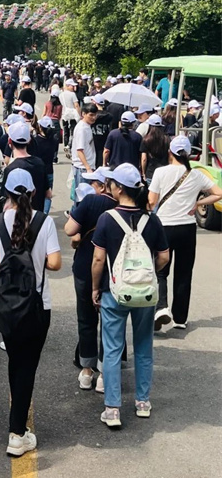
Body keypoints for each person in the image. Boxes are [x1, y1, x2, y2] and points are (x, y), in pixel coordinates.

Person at [0, 169, 61, 455]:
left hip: (7, 304)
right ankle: (17, 433)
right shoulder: (44, 221)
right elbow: (55, 263)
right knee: (27, 366)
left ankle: (16, 423)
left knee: (15, 361)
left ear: (6, 193)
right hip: (37, 305)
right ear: (32, 192)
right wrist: (35, 258)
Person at [91, 164, 170, 428]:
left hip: (114, 292)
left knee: (113, 348)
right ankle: (143, 402)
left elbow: (98, 259)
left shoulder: (107, 218)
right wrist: (148, 275)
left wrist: (95, 288)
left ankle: (112, 409)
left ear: (118, 188)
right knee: (144, 346)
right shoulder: (152, 220)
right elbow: (164, 256)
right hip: (145, 294)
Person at [149, 135, 222, 331]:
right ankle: (180, 318)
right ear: (188, 154)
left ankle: (161, 307)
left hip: (164, 226)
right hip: (187, 228)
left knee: (160, 270)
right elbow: (218, 193)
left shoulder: (160, 172)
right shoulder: (196, 174)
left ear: (170, 152)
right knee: (184, 273)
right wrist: (198, 203)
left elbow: (152, 202)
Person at [64, 168, 115, 393]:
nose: (91, 186)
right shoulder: (120, 205)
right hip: (114, 271)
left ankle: (87, 370)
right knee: (111, 322)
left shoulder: (91, 202)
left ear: (103, 185)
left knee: (86, 318)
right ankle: (105, 372)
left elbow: (70, 230)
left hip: (85, 266)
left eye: (94, 182)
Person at [4, 120, 50, 212]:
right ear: (29, 140)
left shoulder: (9, 169)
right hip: (37, 216)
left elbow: (7, 199)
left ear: (9, 141)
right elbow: (48, 194)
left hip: (16, 218)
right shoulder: (40, 163)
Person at [31, 117, 57, 212]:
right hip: (49, 171)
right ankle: (44, 214)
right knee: (47, 195)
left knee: (36, 195)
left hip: (38, 172)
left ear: (40, 127)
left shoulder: (36, 141)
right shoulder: (54, 140)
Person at [71, 104, 97, 197]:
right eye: (91, 115)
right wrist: (88, 168)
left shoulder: (87, 126)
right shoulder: (81, 129)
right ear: (83, 114)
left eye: (95, 115)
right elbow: (79, 150)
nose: (94, 117)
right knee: (82, 197)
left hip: (87, 167)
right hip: (83, 168)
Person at [140, 119, 170, 185]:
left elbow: (144, 159)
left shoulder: (146, 140)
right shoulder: (166, 139)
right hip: (164, 171)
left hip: (150, 172)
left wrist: (143, 173)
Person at [61, 78, 80, 152]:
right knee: (72, 131)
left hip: (64, 115)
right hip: (72, 115)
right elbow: (76, 105)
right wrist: (79, 114)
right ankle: (70, 145)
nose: (73, 87)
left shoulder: (61, 94)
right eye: (72, 86)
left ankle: (65, 144)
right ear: (67, 86)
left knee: (65, 131)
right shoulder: (72, 94)